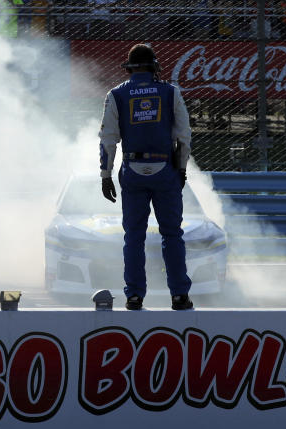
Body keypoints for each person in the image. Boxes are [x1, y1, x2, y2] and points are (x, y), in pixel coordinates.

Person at [98, 43, 194, 311]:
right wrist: (182, 166)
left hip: (133, 169)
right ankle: (179, 296)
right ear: (154, 66)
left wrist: (105, 175)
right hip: (165, 170)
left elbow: (108, 140)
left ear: (129, 68)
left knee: (134, 236)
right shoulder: (170, 92)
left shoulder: (116, 94)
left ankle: (134, 296)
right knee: (172, 234)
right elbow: (184, 135)